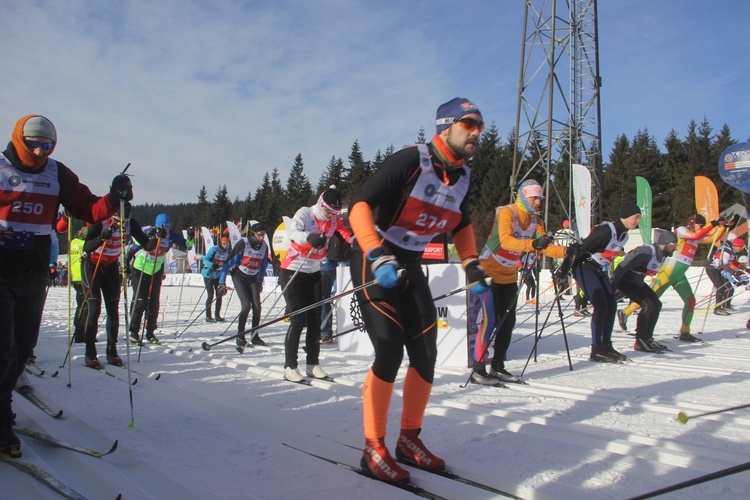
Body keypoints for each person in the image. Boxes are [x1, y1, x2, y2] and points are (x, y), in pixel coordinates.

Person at [348, 97, 491, 484]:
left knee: (426, 352)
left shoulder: (463, 176)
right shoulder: (412, 160)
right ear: (446, 126)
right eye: (469, 124)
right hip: (375, 256)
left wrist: (471, 262)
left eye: (480, 125)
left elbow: (460, 223)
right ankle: (373, 448)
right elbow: (359, 204)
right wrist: (376, 253)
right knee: (390, 348)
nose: (477, 131)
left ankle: (408, 440)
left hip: (410, 264)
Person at [0, 114, 132, 458]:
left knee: (24, 344)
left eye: (48, 146)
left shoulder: (56, 173)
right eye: (34, 145)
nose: (41, 152)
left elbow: (89, 208)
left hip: (33, 270)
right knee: (3, 346)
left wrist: (113, 196)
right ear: (19, 139)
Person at [470, 180, 569, 385]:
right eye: (534, 198)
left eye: (540, 198)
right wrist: (533, 244)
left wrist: (566, 251)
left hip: (508, 274)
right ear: (524, 196)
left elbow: (545, 246)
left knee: (508, 322)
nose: (538, 202)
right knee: (490, 320)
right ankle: (478, 369)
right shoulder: (508, 212)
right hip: (488, 271)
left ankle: (497, 366)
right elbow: (506, 241)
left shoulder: (534, 219)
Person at [280, 186, 352, 382]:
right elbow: (293, 232)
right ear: (321, 204)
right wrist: (309, 238)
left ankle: (312, 364)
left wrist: (355, 241)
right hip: (292, 270)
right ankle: (290, 366)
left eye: (334, 213)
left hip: (313, 272)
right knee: (298, 319)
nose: (330, 215)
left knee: (315, 321)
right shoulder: (305, 212)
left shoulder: (334, 219)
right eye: (328, 211)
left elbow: (344, 232)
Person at [617, 214, 726, 342]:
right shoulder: (682, 230)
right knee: (651, 298)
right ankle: (625, 312)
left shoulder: (696, 235)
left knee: (690, 301)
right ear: (692, 222)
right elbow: (695, 236)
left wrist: (723, 226)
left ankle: (685, 331)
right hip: (668, 271)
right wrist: (713, 223)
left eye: (702, 225)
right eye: (700, 224)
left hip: (679, 274)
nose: (701, 227)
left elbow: (710, 239)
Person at [81, 203, 155, 367]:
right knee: (94, 308)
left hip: (111, 267)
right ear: (111, 216)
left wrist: (156, 237)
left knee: (113, 310)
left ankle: (111, 350)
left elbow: (146, 245)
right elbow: (86, 246)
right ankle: (90, 352)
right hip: (92, 265)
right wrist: (101, 238)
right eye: (117, 220)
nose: (120, 224)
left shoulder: (131, 224)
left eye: (124, 220)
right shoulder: (100, 222)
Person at [569, 203, 641, 363]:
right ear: (625, 216)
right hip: (584, 266)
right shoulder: (608, 230)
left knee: (611, 304)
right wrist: (565, 269)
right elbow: (582, 246)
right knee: (601, 305)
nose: (637, 221)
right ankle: (596, 349)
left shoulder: (625, 236)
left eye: (639, 218)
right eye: (635, 217)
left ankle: (606, 345)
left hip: (597, 269)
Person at [611, 231, 678, 353]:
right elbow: (624, 264)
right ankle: (640, 340)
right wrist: (613, 283)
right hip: (625, 280)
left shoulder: (662, 254)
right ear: (666, 243)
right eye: (674, 244)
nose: (676, 247)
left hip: (636, 281)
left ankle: (647, 338)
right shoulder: (647, 251)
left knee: (656, 304)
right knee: (648, 305)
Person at [126, 213, 187, 345]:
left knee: (154, 304)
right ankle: (134, 332)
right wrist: (126, 266)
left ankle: (150, 332)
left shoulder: (171, 235)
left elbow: (186, 246)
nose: (164, 230)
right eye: (161, 227)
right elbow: (131, 251)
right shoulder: (147, 232)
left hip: (156, 271)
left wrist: (191, 239)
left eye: (166, 228)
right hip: (140, 269)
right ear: (156, 226)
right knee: (141, 302)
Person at [218, 224, 269, 347]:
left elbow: (263, 265)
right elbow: (227, 263)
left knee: (257, 306)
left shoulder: (264, 247)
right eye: (259, 235)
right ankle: (240, 336)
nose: (262, 238)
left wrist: (260, 281)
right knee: (246, 306)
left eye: (264, 235)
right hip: (239, 277)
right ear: (253, 234)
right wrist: (221, 282)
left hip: (252, 278)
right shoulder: (243, 244)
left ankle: (255, 336)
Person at [706, 236, 747, 316]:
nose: (741, 249)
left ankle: (724, 306)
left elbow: (732, 263)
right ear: (738, 246)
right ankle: (717, 309)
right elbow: (723, 264)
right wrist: (733, 272)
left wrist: (741, 269)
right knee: (721, 288)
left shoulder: (732, 252)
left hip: (718, 270)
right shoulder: (727, 251)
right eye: (741, 247)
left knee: (727, 288)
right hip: (712, 269)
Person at [202, 236, 231, 323]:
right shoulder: (214, 249)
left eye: (227, 244)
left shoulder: (229, 251)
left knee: (219, 294)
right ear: (220, 243)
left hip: (219, 275)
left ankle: (217, 315)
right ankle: (208, 316)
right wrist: (212, 265)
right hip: (208, 274)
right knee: (210, 295)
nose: (226, 245)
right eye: (224, 244)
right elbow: (205, 260)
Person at [69, 226, 89, 342]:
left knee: (80, 304)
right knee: (85, 306)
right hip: (84, 276)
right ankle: (81, 333)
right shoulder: (86, 244)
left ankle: (78, 329)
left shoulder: (73, 242)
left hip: (74, 276)